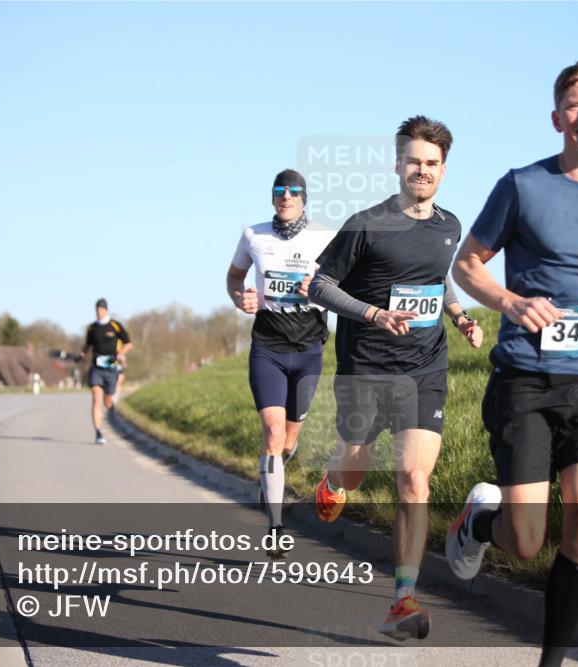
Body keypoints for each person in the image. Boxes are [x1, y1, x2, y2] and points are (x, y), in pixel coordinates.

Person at [446, 58, 578, 667]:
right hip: (527, 379)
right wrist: (511, 300)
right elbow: (467, 265)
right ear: (557, 118)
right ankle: (477, 521)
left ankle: (550, 662)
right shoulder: (523, 185)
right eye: (576, 105)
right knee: (525, 542)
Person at [308, 116, 483, 640]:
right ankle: (334, 480)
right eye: (414, 162)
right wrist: (372, 314)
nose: (422, 171)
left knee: (413, 477)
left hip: (424, 368)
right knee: (355, 469)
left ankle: (403, 599)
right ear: (398, 164)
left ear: (444, 170)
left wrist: (460, 315)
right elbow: (318, 285)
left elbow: (437, 279)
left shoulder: (449, 226)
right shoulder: (367, 222)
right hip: (365, 368)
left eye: (432, 164)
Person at [227, 169, 336, 558]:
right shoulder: (254, 235)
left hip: (308, 350)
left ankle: (268, 476)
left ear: (304, 197)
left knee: (289, 440)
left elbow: (345, 286)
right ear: (272, 197)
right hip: (268, 347)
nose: (286, 197)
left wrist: (320, 290)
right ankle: (275, 526)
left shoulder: (325, 237)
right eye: (279, 191)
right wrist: (241, 299)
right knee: (273, 434)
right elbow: (235, 277)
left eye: (293, 191)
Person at [81, 299, 132, 444]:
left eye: (101, 310)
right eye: (97, 310)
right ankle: (98, 433)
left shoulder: (115, 325)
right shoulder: (92, 328)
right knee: (96, 397)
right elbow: (87, 345)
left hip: (112, 362)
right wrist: (81, 355)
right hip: (96, 365)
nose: (99, 312)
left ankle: (112, 407)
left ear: (106, 310)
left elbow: (129, 343)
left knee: (107, 401)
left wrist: (121, 354)